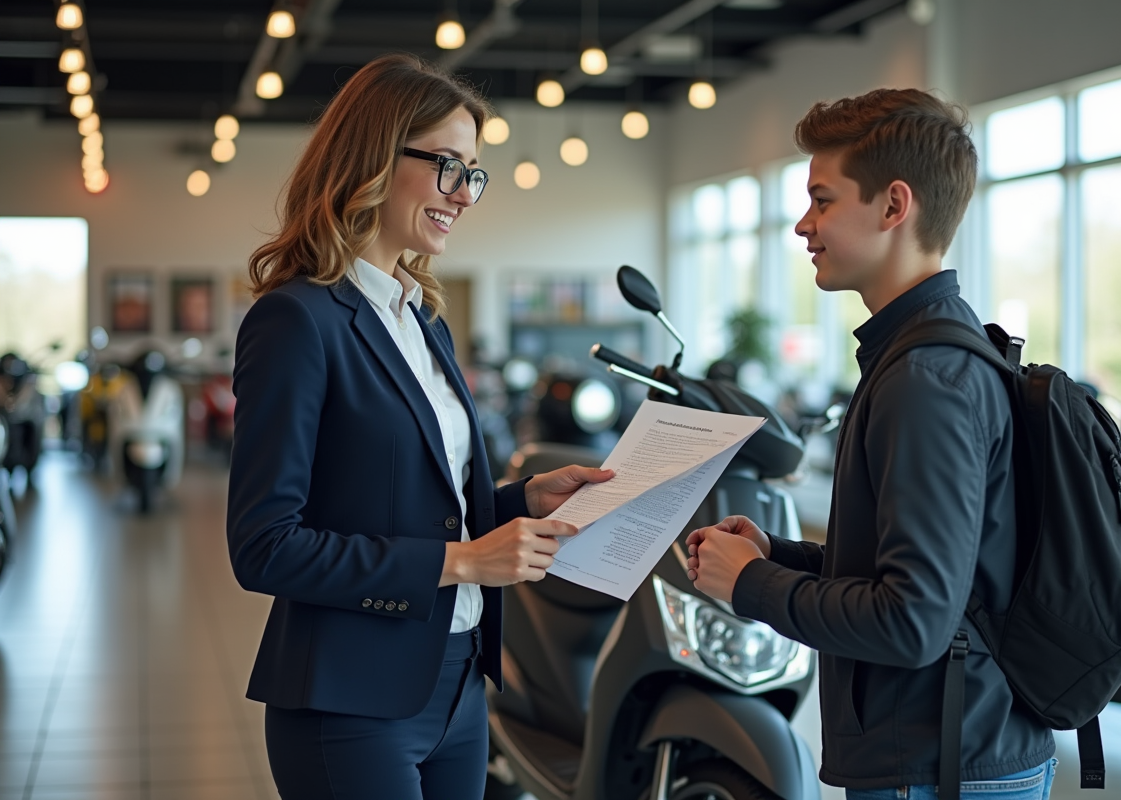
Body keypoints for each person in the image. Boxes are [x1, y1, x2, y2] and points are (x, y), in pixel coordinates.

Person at [225, 54, 613, 800]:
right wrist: (464, 563)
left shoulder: (421, 318)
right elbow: (265, 547)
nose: (463, 195)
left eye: (473, 174)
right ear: (372, 157)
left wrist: (522, 501)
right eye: (446, 166)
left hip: (458, 684)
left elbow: (414, 504)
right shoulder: (297, 319)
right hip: (349, 702)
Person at [684, 89, 1056, 799]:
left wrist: (750, 585)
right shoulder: (923, 354)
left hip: (942, 768)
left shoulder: (926, 377)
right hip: (948, 751)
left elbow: (913, 621)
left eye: (822, 200)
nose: (803, 224)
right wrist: (776, 555)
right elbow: (923, 573)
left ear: (893, 206)